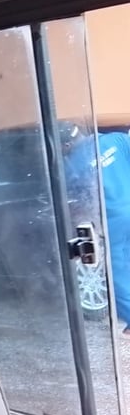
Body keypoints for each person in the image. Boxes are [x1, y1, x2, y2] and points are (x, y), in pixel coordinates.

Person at [62, 123, 130, 330]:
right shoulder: (117, 140)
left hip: (112, 221)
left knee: (117, 270)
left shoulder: (71, 164)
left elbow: (76, 200)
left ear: (66, 144)